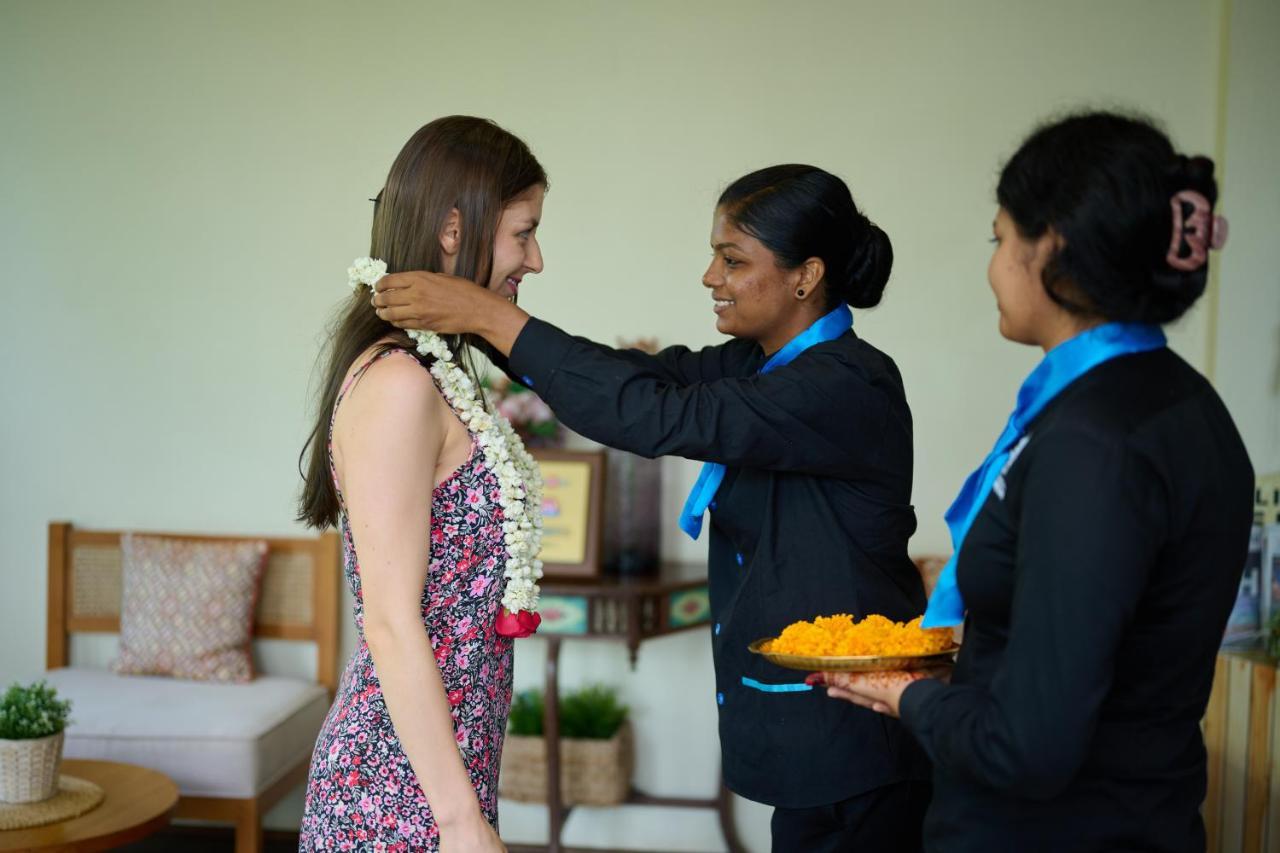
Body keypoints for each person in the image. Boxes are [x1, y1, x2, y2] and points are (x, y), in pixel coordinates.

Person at [373, 164, 932, 851]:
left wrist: (486, 312)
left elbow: (652, 414)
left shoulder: (847, 383)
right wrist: (480, 314)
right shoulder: (755, 365)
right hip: (821, 741)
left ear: (805, 275)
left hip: (858, 739)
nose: (710, 276)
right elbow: (639, 378)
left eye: (732, 259)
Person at [821, 111, 1254, 852]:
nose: (992, 264)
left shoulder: (1095, 441)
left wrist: (908, 694)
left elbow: (1026, 747)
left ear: (1049, 245)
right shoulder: (1179, 403)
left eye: (999, 237)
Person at [296, 115, 549, 852]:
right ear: (452, 230)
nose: (535, 259)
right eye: (523, 232)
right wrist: (460, 821)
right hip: (395, 790)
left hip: (442, 773)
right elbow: (390, 620)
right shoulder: (400, 382)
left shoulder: (436, 369)